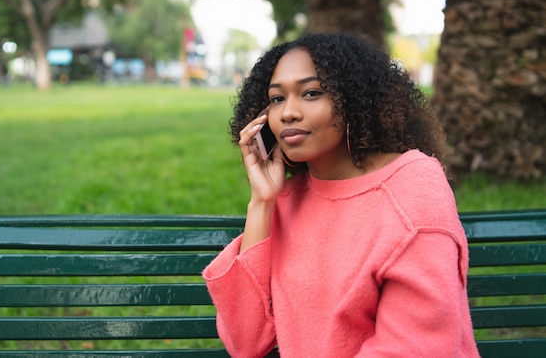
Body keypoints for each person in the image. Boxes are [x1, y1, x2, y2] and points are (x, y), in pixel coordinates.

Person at [202, 33, 480, 357]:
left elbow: (415, 347)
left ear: (355, 100)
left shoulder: (412, 191)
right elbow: (245, 342)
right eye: (277, 98)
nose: (288, 112)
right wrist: (262, 203)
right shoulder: (286, 200)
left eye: (311, 93)